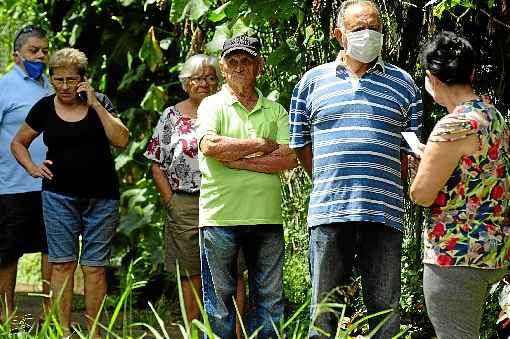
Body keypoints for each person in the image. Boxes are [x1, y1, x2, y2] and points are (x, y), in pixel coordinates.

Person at [288, 1, 423, 337]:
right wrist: (331, 181)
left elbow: (411, 153)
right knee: (323, 312)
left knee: (385, 312)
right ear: (339, 35)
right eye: (360, 28)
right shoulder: (311, 82)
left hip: (384, 211)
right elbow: (300, 145)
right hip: (329, 211)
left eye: (375, 27)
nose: (369, 34)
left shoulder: (404, 84)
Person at [10, 47, 129, 338]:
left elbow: (122, 140)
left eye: (70, 80)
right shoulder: (44, 107)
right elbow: (18, 143)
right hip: (58, 196)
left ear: (83, 79)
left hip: (102, 197)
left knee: (95, 268)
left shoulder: (99, 102)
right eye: (58, 79)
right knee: (62, 264)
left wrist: (96, 106)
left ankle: (94, 332)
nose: (64, 86)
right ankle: (62, 331)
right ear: (51, 79)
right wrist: (32, 168)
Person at [410, 31, 510, 339]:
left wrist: (421, 167)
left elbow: (422, 194)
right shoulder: (493, 117)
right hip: (495, 251)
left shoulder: (452, 125)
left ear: (432, 78)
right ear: (471, 72)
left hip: (455, 254)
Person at [197, 35, 297, 339]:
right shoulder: (212, 105)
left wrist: (239, 160)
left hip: (266, 218)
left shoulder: (275, 110)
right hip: (220, 218)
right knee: (219, 302)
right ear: (224, 69)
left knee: (269, 299)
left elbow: (289, 157)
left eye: (247, 61)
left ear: (259, 67)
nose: (240, 67)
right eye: (233, 62)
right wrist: (261, 145)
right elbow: (211, 146)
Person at [144, 54, 246, 331]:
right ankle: (197, 331)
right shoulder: (171, 116)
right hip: (186, 203)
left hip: (227, 201)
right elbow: (156, 162)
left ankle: (235, 333)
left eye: (209, 77)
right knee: (190, 273)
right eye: (196, 78)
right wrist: (171, 201)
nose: (203, 83)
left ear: (218, 80)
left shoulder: (232, 109)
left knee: (233, 269)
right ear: (185, 83)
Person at [0, 24, 53, 322]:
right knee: (8, 253)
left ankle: (51, 316)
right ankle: (6, 318)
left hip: (50, 185)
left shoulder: (52, 86)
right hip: (11, 186)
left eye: (45, 50)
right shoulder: (4, 87)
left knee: (52, 249)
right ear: (16, 54)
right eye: (34, 50)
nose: (41, 56)